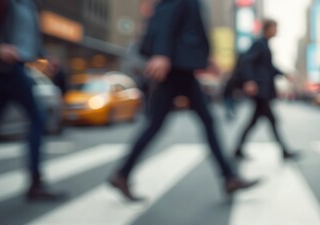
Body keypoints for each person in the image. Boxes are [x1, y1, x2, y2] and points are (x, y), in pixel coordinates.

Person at [109, 0, 259, 202]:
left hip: (183, 68)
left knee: (199, 122)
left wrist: (205, 58)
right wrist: (162, 53)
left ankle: (229, 177)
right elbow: (166, 14)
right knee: (166, 124)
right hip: (175, 69)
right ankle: (122, 174)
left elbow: (188, 27)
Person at [0, 0, 65, 200]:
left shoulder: (30, 4)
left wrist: (44, 55)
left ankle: (35, 183)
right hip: (6, 67)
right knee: (38, 118)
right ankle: (36, 183)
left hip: (16, 66)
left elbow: (28, 37)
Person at [233, 19, 297, 160]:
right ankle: (284, 151)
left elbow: (269, 69)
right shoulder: (259, 44)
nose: (277, 31)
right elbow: (246, 61)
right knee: (271, 121)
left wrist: (284, 74)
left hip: (263, 90)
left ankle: (238, 149)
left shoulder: (265, 45)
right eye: (275, 28)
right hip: (260, 91)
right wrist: (249, 80)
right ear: (268, 29)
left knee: (256, 122)